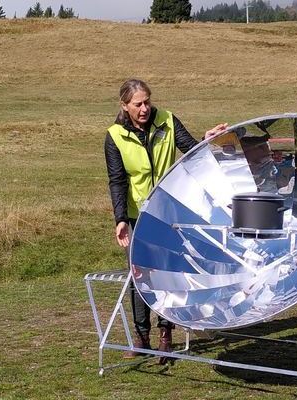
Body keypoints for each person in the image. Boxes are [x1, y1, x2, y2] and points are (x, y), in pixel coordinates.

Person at [104, 78, 227, 364]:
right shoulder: (114, 136)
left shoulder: (167, 121)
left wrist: (206, 139)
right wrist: (120, 218)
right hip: (137, 215)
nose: (144, 108)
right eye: (138, 104)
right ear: (124, 105)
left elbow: (191, 152)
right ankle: (141, 337)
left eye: (147, 102)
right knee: (139, 274)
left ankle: (165, 335)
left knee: (167, 273)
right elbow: (117, 181)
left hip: (168, 212)